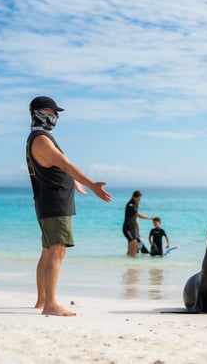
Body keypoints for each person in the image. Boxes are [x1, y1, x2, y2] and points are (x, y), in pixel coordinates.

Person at [26, 96, 112, 316]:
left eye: (55, 113)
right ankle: (50, 304)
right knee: (58, 250)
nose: (53, 117)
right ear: (36, 113)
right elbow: (65, 163)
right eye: (48, 112)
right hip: (55, 203)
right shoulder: (41, 139)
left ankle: (42, 300)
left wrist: (73, 181)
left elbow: (53, 166)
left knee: (47, 251)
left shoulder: (38, 138)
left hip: (48, 201)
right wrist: (92, 185)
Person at [123, 190, 155, 257]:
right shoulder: (130, 205)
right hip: (127, 228)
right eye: (138, 198)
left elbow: (136, 219)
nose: (139, 200)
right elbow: (138, 215)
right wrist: (150, 218)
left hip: (133, 229)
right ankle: (132, 262)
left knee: (131, 248)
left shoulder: (135, 205)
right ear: (134, 197)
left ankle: (129, 264)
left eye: (140, 199)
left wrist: (138, 231)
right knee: (135, 244)